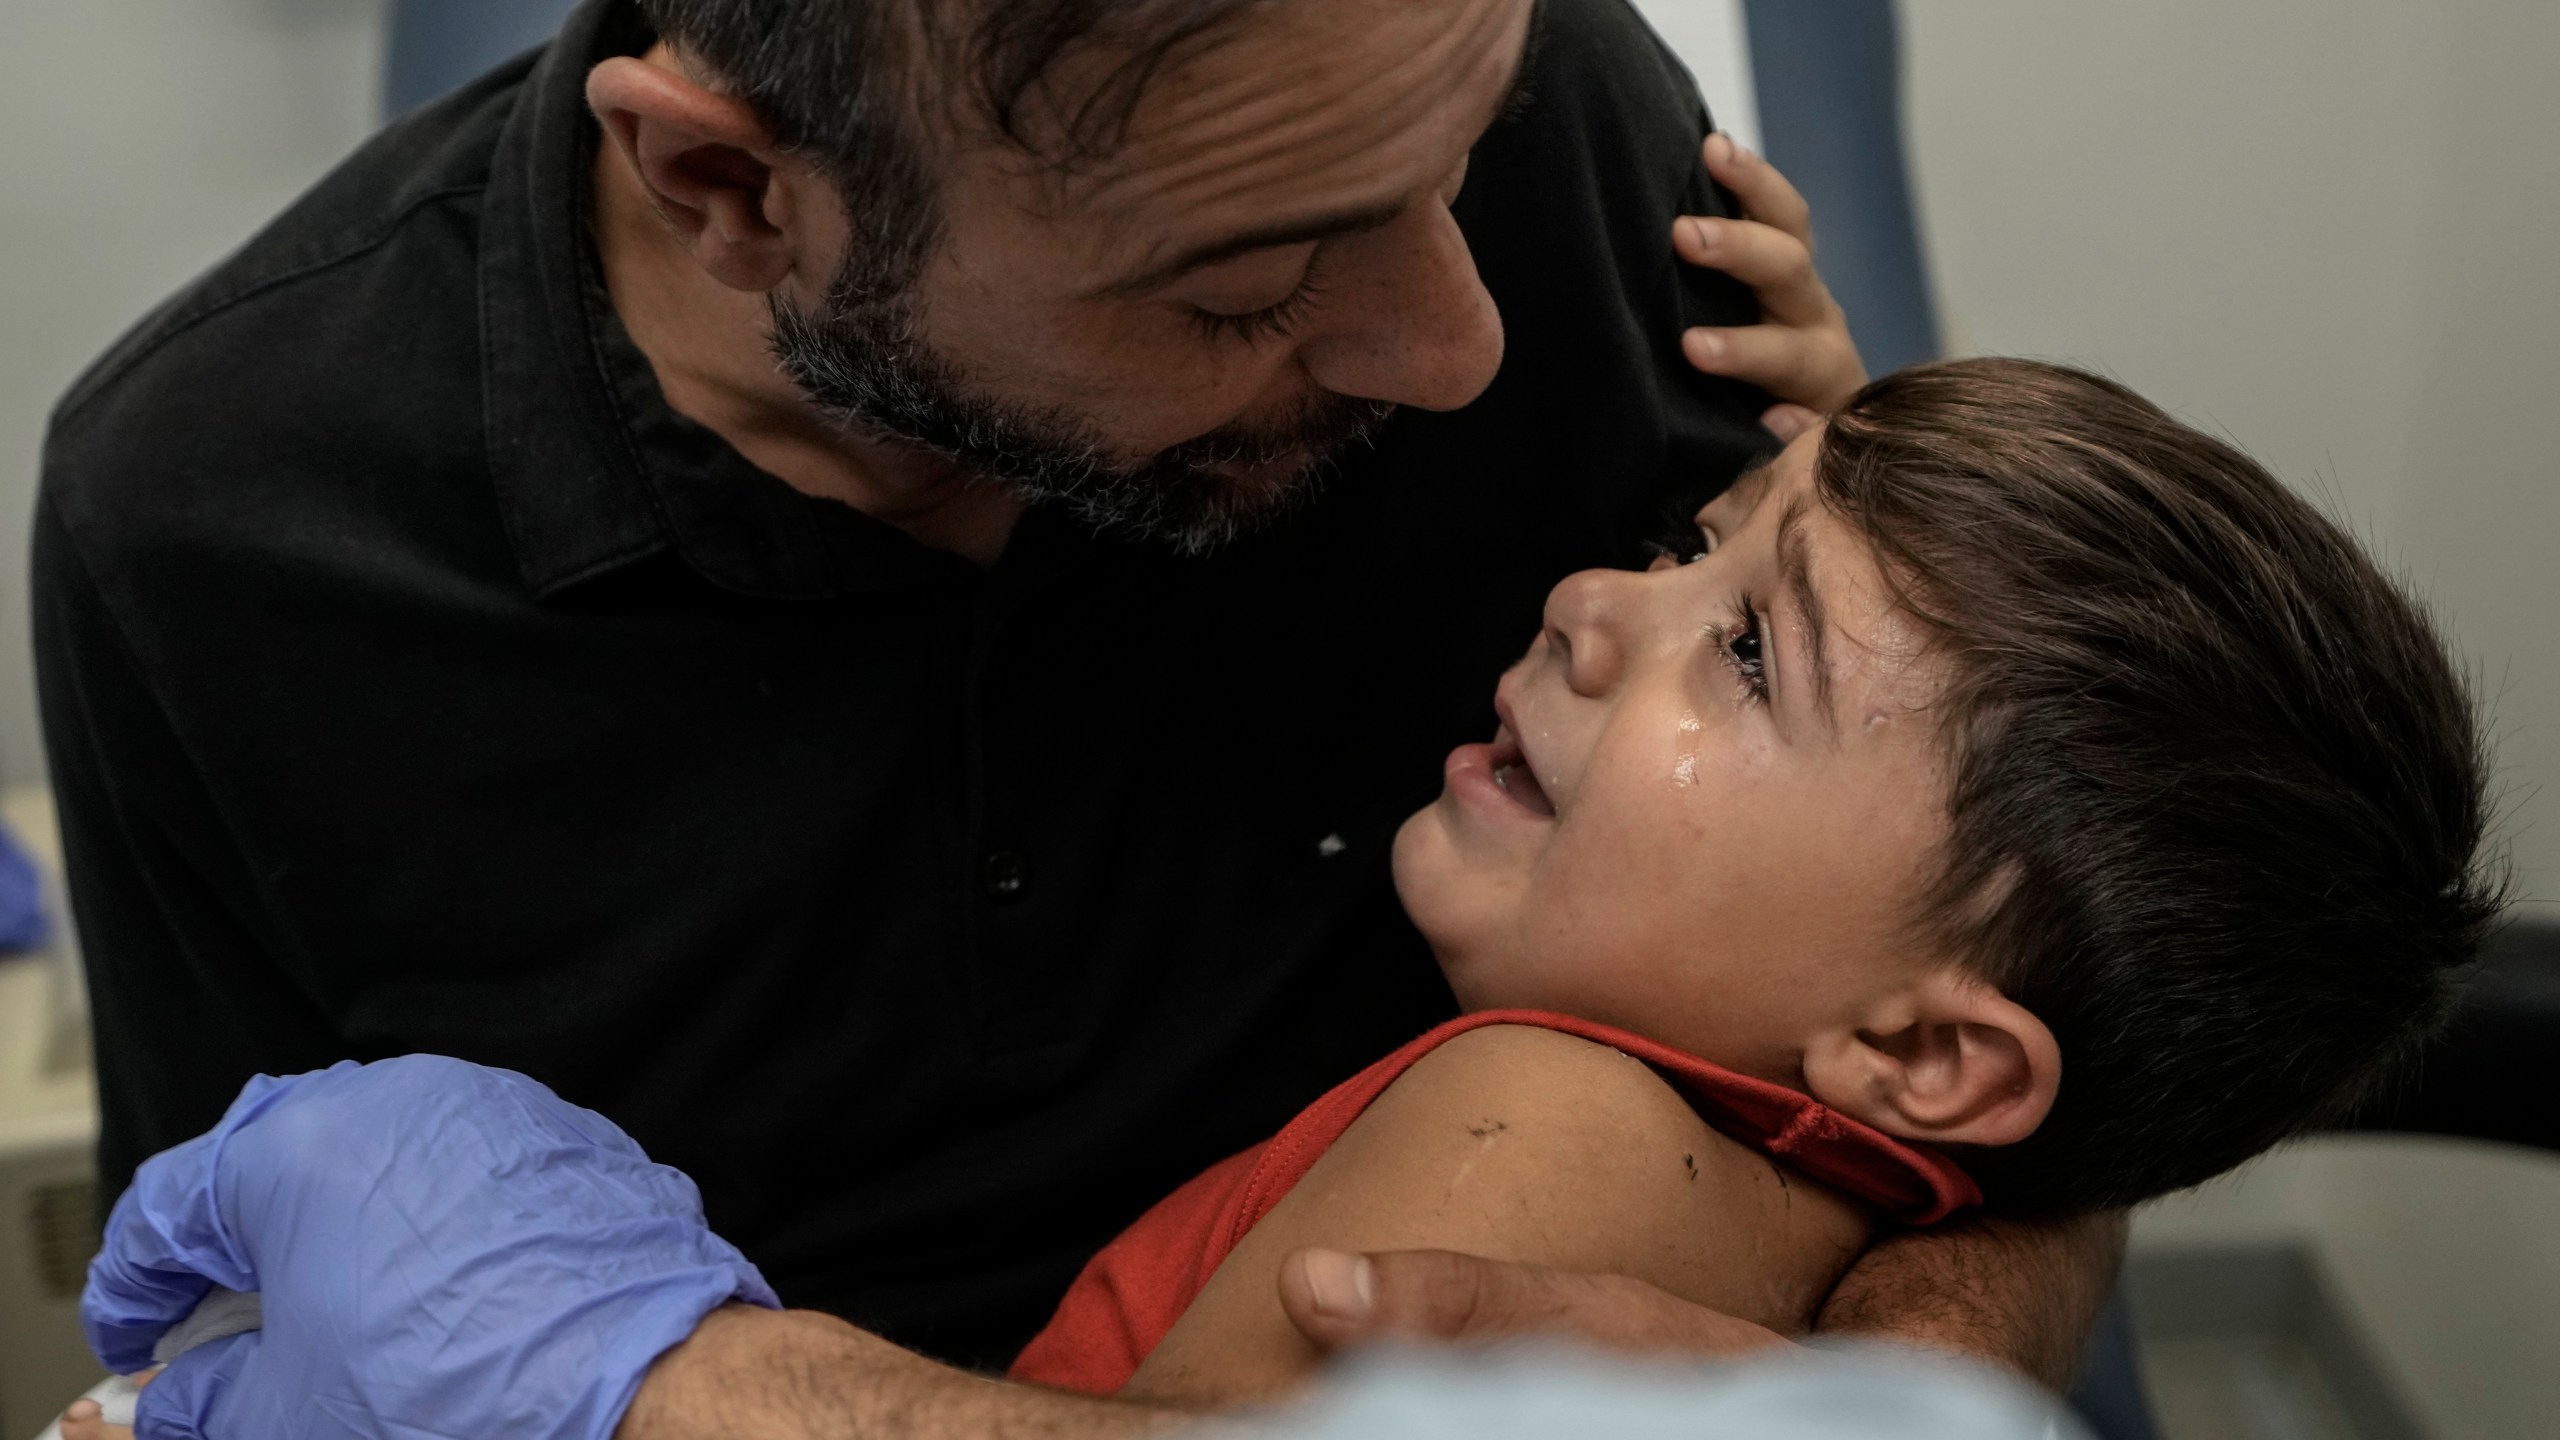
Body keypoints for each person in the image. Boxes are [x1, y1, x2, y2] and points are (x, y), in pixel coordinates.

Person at [37, 0, 2115, 1418]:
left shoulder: (1522, 108)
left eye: (1454, 164)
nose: (1457, 345)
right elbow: (235, 1342)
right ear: (735, 190)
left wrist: (1901, 1387)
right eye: (1240, 287)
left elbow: (2033, 941)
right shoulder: (226, 535)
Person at [65, 358, 2495, 1440]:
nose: (1585, 591)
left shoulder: (1549, 1117)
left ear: (1928, 1060)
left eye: (1742, 645)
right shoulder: (1759, 1126)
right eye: (1690, 541)